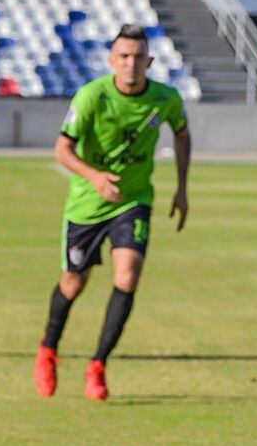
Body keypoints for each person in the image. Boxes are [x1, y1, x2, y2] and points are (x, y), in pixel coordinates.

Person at [34, 24, 191, 401]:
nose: (131, 64)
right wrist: (95, 176)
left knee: (128, 276)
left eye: (138, 57)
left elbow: (182, 133)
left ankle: (98, 365)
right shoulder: (92, 96)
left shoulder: (166, 98)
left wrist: (182, 188)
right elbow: (62, 150)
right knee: (74, 283)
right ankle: (48, 349)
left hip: (134, 200)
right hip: (87, 205)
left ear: (150, 61)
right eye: (123, 56)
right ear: (112, 60)